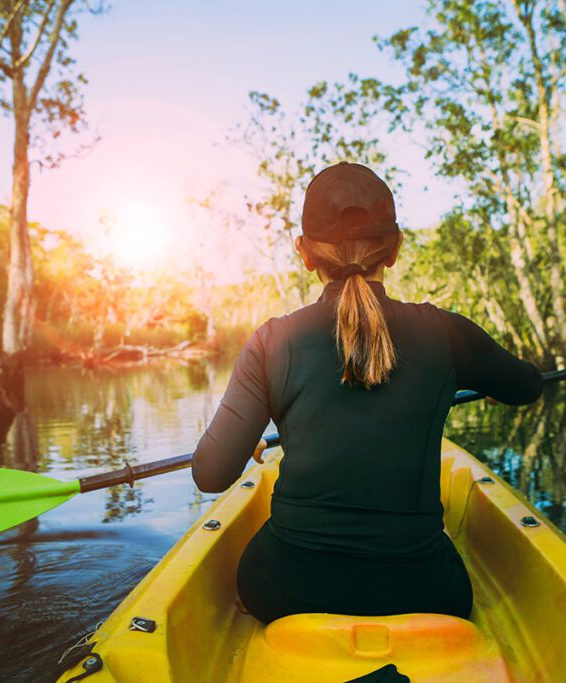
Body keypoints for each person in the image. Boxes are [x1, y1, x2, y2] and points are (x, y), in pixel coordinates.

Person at [191, 162, 543, 624]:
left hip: (284, 589)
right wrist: (487, 380)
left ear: (305, 253)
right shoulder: (447, 334)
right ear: (394, 248)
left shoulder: (272, 341)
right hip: (426, 592)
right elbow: (527, 386)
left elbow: (211, 475)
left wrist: (247, 432)